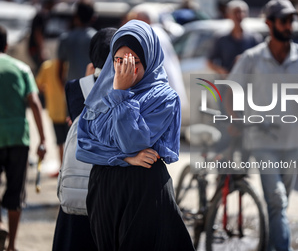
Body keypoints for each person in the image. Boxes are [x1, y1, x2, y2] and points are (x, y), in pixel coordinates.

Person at [76, 20, 195, 251]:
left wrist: (121, 94)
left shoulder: (163, 97)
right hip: (104, 188)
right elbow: (85, 145)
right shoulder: (102, 92)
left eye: (134, 62)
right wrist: (125, 158)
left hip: (143, 190)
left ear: (149, 59)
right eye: (118, 62)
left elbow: (132, 141)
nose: (125, 71)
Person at [226, 0, 298, 250]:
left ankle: (270, 245)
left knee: (279, 204)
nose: (289, 25)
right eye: (283, 20)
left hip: (293, 140)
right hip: (261, 139)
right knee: (277, 198)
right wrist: (235, 120)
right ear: (269, 23)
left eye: (291, 20)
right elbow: (230, 92)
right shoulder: (251, 58)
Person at [52, 27, 117, 251]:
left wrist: (91, 73)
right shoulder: (129, 88)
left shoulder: (75, 87)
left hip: (79, 186)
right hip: (112, 186)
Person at [0, 25, 46, 251]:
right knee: (15, 192)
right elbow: (35, 104)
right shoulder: (21, 68)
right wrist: (43, 140)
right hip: (19, 137)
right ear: (6, 45)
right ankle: (12, 246)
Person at [207, 0, 262, 75]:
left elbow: (261, 60)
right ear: (228, 15)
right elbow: (210, 62)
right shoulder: (221, 38)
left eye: (242, 12)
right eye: (236, 12)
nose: (239, 15)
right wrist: (223, 72)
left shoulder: (254, 38)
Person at [35, 59, 68, 177]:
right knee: (72, 141)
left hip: (55, 110)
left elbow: (38, 85)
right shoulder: (68, 64)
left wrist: (49, 90)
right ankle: (70, 169)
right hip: (69, 110)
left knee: (60, 142)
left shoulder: (47, 66)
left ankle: (62, 169)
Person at [57, 0, 96, 85]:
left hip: (73, 87)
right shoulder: (96, 39)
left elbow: (59, 71)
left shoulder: (65, 38)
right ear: (93, 17)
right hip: (91, 87)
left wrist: (66, 90)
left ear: (75, 16)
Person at [28, 0, 56, 74]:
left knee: (41, 69)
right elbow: (38, 33)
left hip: (35, 47)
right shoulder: (42, 15)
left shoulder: (42, 15)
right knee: (42, 69)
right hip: (35, 48)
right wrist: (41, 50)